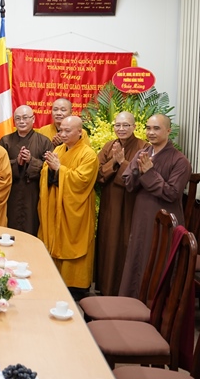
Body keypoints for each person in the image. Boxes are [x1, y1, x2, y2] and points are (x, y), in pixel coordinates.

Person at [119, 114, 191, 298]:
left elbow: (172, 193)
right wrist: (137, 171)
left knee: (158, 259)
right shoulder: (142, 154)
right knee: (138, 255)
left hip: (164, 220)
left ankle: (154, 305)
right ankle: (132, 301)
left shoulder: (180, 161)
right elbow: (129, 184)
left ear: (168, 130)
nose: (151, 132)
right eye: (148, 128)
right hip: (141, 216)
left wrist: (149, 172)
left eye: (156, 128)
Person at [38, 116, 99, 300]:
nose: (62, 134)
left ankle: (75, 287)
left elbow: (82, 181)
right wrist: (50, 169)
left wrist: (59, 169)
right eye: (61, 130)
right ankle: (53, 281)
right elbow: (45, 171)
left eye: (67, 131)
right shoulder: (58, 149)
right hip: (56, 207)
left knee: (74, 244)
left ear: (80, 132)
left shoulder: (88, 154)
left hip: (75, 210)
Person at [94, 112, 148, 297]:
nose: (121, 129)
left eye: (126, 125)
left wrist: (122, 162)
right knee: (108, 243)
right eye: (118, 125)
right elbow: (98, 173)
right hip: (110, 202)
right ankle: (105, 288)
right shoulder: (109, 146)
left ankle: (125, 291)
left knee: (125, 243)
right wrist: (114, 163)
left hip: (130, 204)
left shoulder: (144, 147)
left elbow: (141, 176)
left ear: (134, 127)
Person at [0, 106, 53, 235]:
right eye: (18, 118)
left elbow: (50, 168)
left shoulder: (44, 141)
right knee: (10, 227)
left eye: (25, 118)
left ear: (33, 119)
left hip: (33, 193)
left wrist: (31, 161)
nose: (21, 121)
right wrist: (16, 162)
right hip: (11, 192)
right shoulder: (5, 141)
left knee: (32, 225)